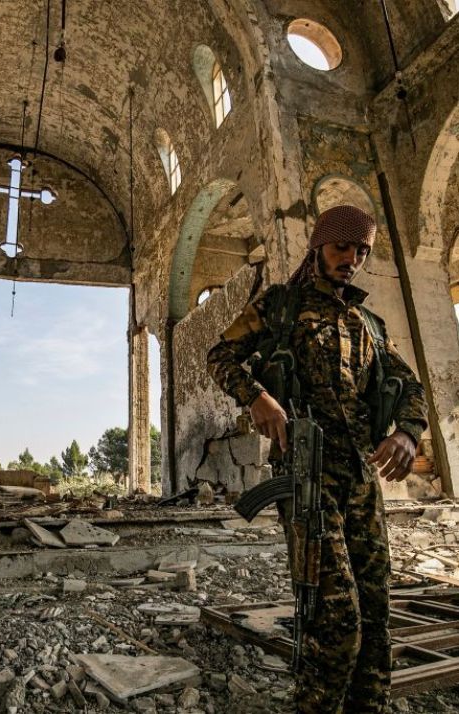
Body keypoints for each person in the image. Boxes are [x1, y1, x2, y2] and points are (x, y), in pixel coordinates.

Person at [206, 204, 429, 714]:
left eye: (361, 251)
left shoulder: (368, 323)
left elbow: (411, 386)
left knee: (376, 616)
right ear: (318, 247)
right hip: (308, 476)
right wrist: (257, 398)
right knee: (336, 620)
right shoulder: (280, 306)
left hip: (361, 480)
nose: (351, 259)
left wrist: (408, 433)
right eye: (341, 247)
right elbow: (220, 356)